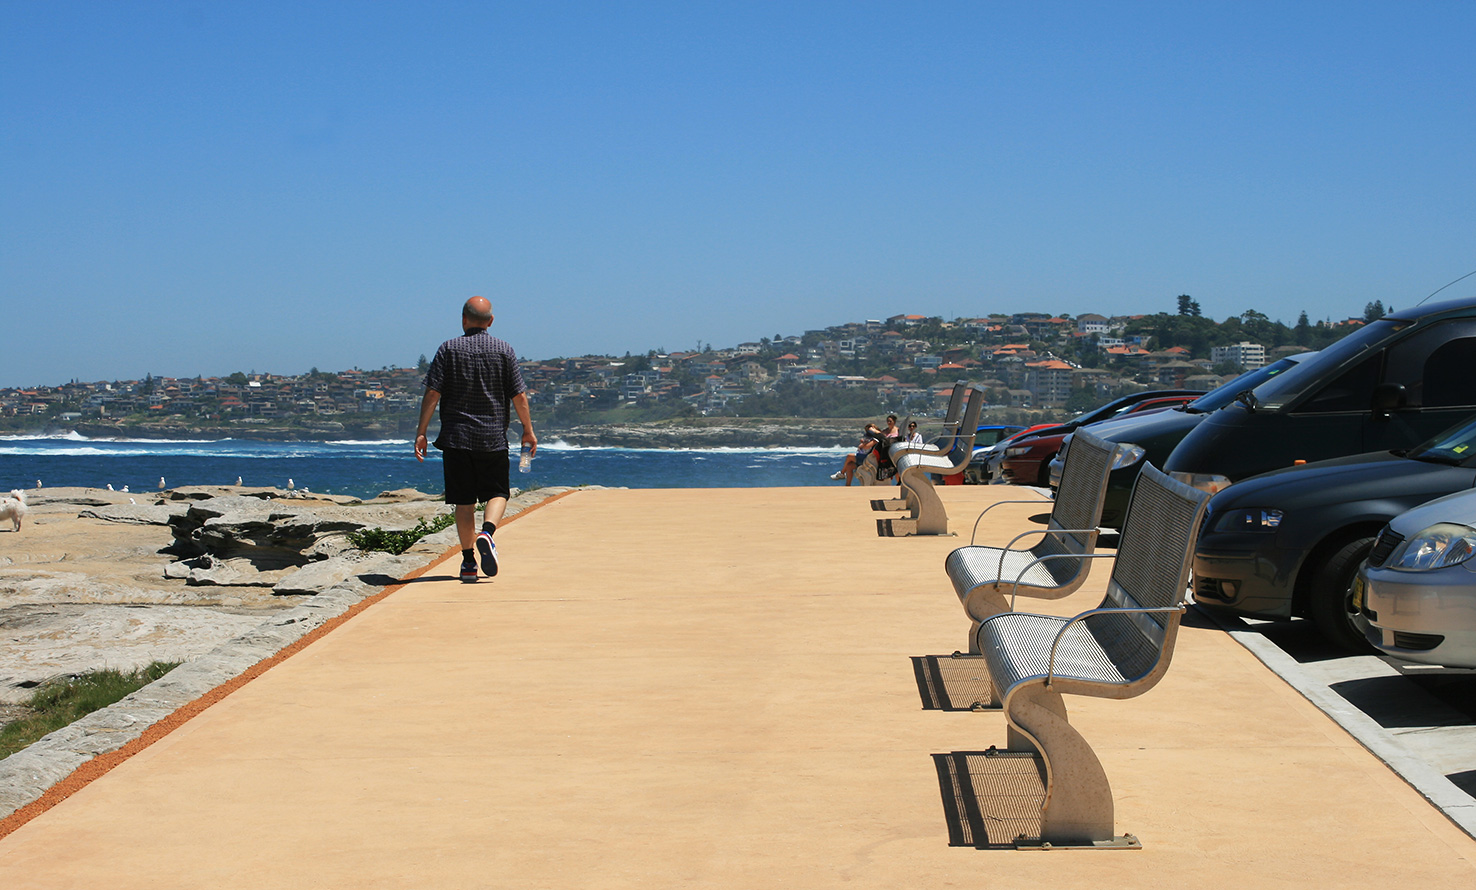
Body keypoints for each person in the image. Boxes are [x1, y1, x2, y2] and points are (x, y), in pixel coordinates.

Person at [415, 296, 537, 583]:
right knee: (498, 493)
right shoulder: (504, 350)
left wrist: (421, 431)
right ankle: (488, 533)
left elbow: (433, 393)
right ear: (491, 321)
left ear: (463, 319)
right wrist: (527, 430)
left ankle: (469, 562)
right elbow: (518, 395)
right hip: (492, 437)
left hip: (456, 438)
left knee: (464, 501)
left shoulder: (448, 349)